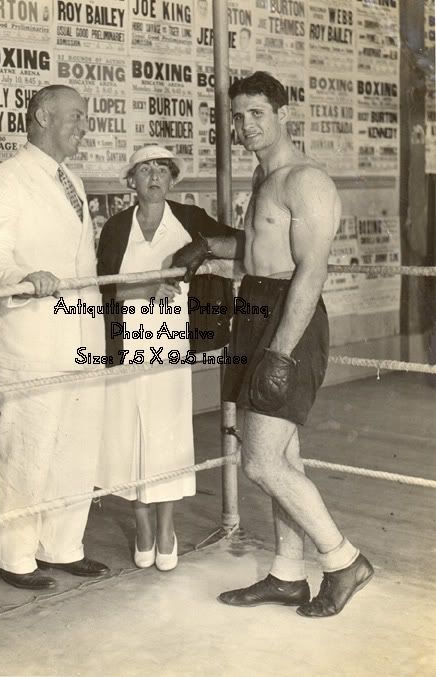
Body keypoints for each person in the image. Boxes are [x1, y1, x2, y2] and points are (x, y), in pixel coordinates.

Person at [172, 72, 373, 617]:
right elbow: (259, 253)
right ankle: (288, 574)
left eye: (257, 113)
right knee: (283, 456)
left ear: (282, 114)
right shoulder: (265, 179)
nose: (245, 125)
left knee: (260, 462)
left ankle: (343, 560)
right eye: (238, 116)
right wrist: (208, 250)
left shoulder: (306, 181)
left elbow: (310, 271)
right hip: (256, 308)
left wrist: (280, 352)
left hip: (290, 319)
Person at [0, 84, 109, 590]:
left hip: (82, 338)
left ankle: (61, 546)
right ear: (42, 117)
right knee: (27, 452)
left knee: (76, 449)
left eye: (85, 117)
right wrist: (23, 278)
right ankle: (12, 556)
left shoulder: (72, 179)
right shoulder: (6, 179)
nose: (84, 127)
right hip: (33, 339)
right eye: (76, 116)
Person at [96, 145, 235, 571]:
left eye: (162, 169)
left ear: (173, 179)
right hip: (126, 339)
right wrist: (148, 286)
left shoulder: (190, 219)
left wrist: (203, 253)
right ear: (131, 181)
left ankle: (167, 529)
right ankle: (142, 528)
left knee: (167, 434)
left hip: (170, 340)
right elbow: (103, 288)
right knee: (128, 434)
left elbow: (238, 243)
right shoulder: (116, 227)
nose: (154, 176)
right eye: (145, 169)